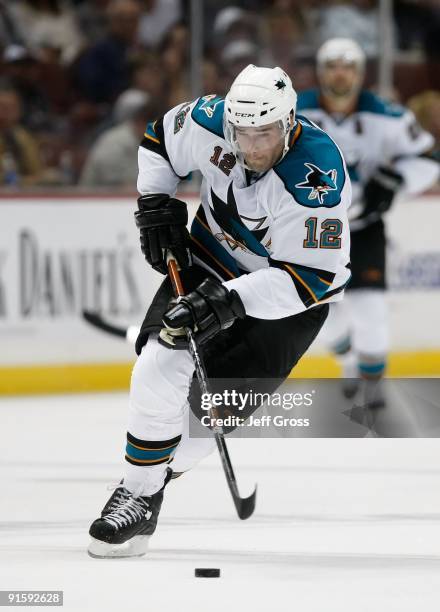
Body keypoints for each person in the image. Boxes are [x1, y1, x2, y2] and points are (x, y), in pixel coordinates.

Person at [88, 64, 351, 558]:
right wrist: (156, 202)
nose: (251, 146)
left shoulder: (317, 177)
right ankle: (138, 498)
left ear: (289, 123)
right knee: (156, 365)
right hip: (211, 259)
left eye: (265, 133)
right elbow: (160, 139)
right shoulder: (211, 119)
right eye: (243, 133)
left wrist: (231, 300)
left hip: (291, 300)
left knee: (208, 418)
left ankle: (149, 485)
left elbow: (311, 278)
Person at [297, 38, 439, 406]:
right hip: (308, 231)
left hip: (364, 227)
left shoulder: (388, 116)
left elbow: (428, 159)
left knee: (370, 308)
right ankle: (347, 363)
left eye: (348, 66)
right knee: (320, 311)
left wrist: (396, 181)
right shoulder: (294, 113)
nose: (340, 73)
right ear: (321, 71)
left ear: (360, 73)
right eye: (332, 65)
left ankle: (373, 386)